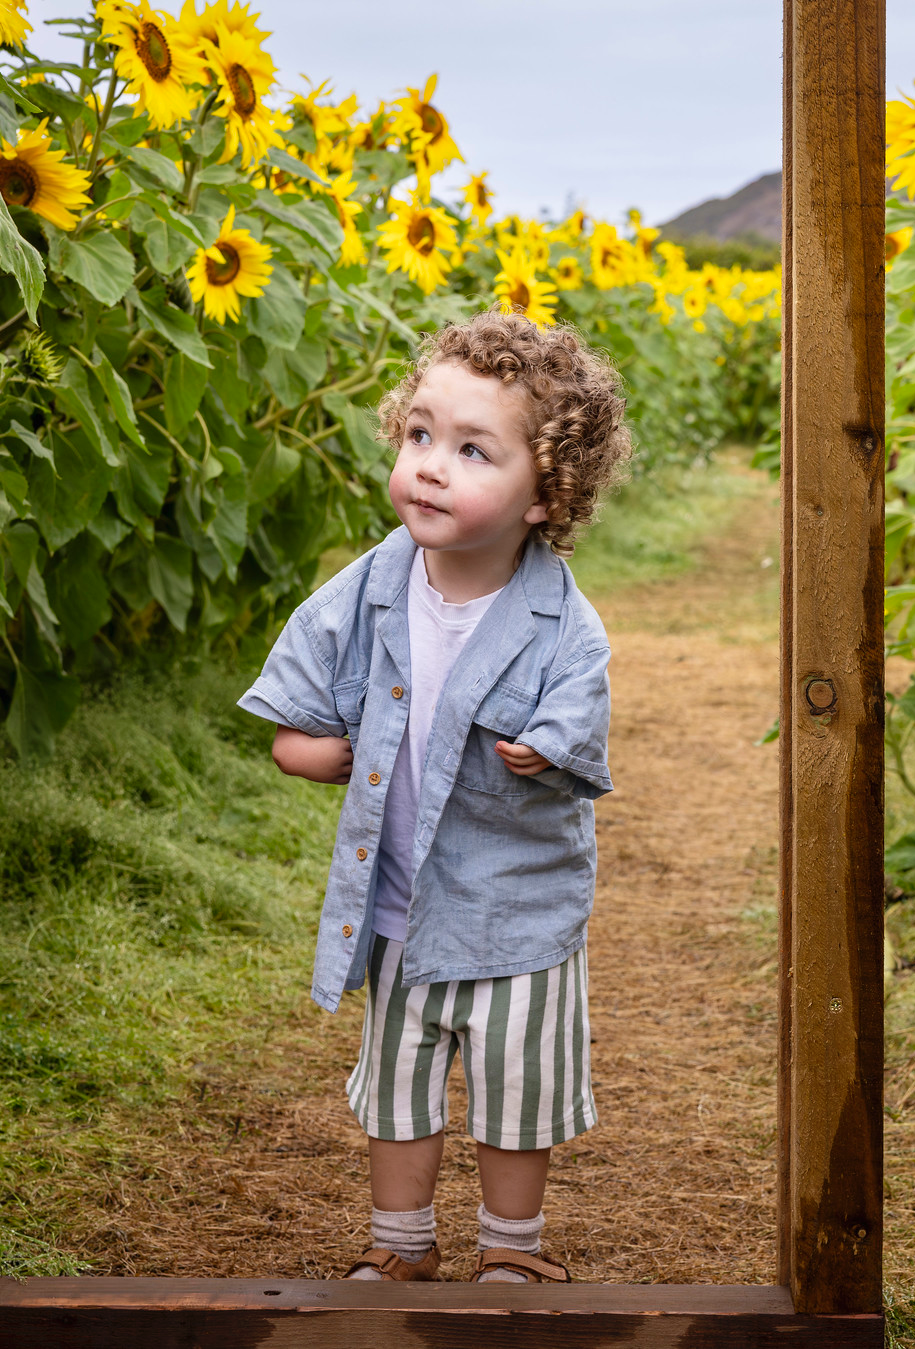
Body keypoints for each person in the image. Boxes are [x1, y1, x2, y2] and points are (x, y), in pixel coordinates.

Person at [238, 310, 632, 1283]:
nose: (429, 467)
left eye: (470, 451)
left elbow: (582, 708)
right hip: (402, 901)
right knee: (399, 1085)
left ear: (546, 495)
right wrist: (302, 744)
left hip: (514, 903)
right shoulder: (370, 588)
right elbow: (304, 681)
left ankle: (510, 1251)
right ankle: (401, 1242)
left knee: (515, 1087)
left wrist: (549, 745)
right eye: (418, 435)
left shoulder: (556, 620)